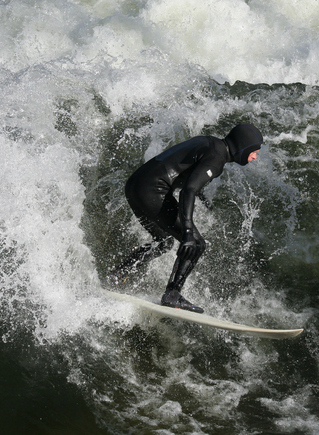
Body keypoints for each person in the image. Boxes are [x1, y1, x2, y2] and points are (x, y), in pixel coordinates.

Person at [103, 123, 264, 313]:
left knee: (163, 242)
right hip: (152, 191)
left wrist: (201, 195)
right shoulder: (217, 158)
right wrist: (187, 231)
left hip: (134, 185)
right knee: (196, 244)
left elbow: (180, 168)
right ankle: (172, 294)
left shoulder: (209, 142)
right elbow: (189, 190)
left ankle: (117, 275)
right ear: (242, 146)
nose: (254, 157)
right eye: (253, 151)